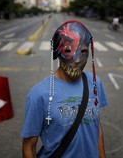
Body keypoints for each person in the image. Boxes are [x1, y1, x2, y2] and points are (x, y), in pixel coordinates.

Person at [21, 20, 108, 158]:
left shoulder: (95, 82)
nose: (77, 59)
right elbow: (29, 145)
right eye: (68, 50)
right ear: (57, 51)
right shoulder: (38, 95)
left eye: (83, 51)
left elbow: (96, 126)